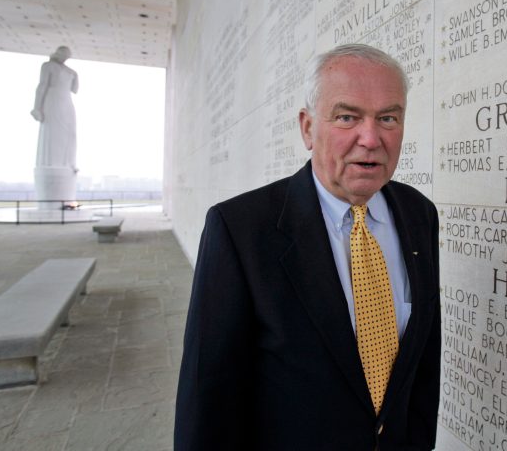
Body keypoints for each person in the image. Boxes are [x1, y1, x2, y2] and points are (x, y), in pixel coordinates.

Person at [175, 44, 441, 450]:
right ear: (307, 128)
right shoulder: (240, 229)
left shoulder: (420, 214)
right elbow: (208, 396)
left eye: (388, 118)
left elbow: (423, 367)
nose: (370, 138)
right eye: (347, 117)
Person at [31, 45, 79, 171]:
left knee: (69, 132)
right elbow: (42, 86)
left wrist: (75, 74)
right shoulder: (48, 66)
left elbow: (75, 90)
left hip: (66, 100)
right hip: (53, 100)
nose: (65, 58)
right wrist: (37, 107)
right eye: (64, 55)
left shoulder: (69, 71)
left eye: (67, 57)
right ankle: (53, 163)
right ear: (58, 54)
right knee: (54, 130)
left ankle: (68, 162)